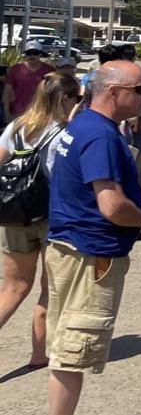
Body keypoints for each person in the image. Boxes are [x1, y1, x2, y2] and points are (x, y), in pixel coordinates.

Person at [37, 61, 141, 415]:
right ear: (115, 92)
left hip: (68, 247)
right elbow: (111, 206)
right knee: (75, 347)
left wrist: (137, 189)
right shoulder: (101, 136)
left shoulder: (81, 125)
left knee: (66, 339)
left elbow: (90, 187)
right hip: (90, 253)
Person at [0, 72, 81, 367]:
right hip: (51, 215)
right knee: (50, 290)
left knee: (13, 287)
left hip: (15, 214)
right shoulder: (65, 133)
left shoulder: (16, 127)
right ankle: (38, 354)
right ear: (65, 99)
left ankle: (38, 353)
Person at [4, 46, 56, 120]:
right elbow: (6, 92)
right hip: (17, 113)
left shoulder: (49, 70)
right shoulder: (15, 69)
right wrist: (7, 114)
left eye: (35, 53)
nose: (32, 56)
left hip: (41, 114)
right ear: (25, 54)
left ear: (40, 54)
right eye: (29, 53)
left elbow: (55, 92)